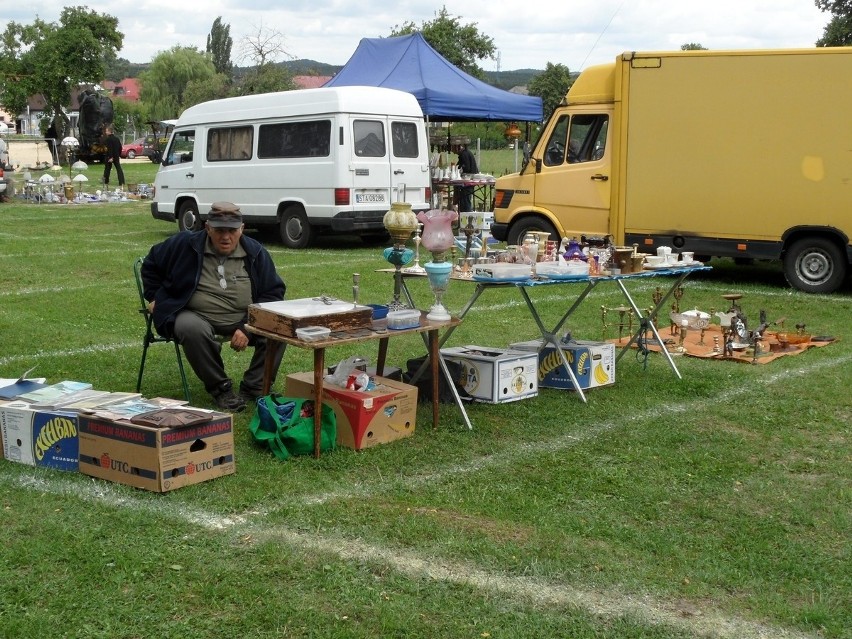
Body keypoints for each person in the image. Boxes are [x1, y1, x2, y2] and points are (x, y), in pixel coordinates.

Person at [141, 202, 286, 412]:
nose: (225, 237)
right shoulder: (185, 244)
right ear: (208, 227)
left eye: (231, 230)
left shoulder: (255, 252)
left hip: (243, 318)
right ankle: (221, 389)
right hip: (196, 315)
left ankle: (255, 386)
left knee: (282, 325)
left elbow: (273, 293)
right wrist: (154, 296)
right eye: (219, 230)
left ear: (242, 229)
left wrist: (247, 326)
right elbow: (151, 262)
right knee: (189, 328)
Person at [454, 143, 478, 212]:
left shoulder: (464, 154)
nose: (454, 152)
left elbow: (466, 167)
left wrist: (459, 170)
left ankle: (466, 215)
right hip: (468, 180)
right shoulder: (465, 153)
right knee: (464, 200)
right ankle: (463, 215)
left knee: (466, 200)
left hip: (468, 181)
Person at [102, 125, 124, 189]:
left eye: (106, 131)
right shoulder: (117, 139)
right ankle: (121, 181)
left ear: (109, 131)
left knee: (107, 169)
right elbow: (120, 148)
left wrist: (111, 157)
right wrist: (118, 155)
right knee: (119, 169)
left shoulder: (108, 139)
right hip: (116, 156)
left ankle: (106, 181)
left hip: (110, 156)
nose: (105, 132)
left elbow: (110, 149)